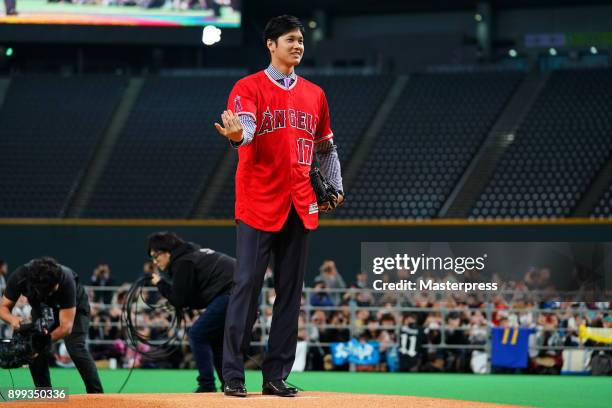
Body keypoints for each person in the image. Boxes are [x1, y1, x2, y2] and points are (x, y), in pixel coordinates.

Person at [214, 15, 344, 397]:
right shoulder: (248, 86)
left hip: (300, 204)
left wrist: (334, 183)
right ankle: (234, 376)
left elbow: (325, 146)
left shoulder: (315, 94)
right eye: (290, 39)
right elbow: (248, 127)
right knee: (246, 288)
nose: (298, 45)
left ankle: (275, 376)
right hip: (257, 203)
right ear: (271, 44)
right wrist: (239, 137)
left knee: (291, 294)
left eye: (301, 39)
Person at [147, 232, 234, 393]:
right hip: (240, 289)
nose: (155, 261)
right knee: (214, 339)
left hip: (232, 291)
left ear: (167, 252)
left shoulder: (183, 262)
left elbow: (180, 299)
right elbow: (192, 299)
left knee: (197, 334)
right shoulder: (190, 255)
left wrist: (160, 283)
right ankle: (229, 384)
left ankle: (207, 385)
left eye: (156, 255)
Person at [0, 257, 103, 393]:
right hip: (42, 308)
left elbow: (66, 327)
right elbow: (3, 308)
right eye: (53, 288)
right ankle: (44, 395)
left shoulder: (65, 280)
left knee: (75, 347)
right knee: (33, 347)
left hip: (74, 308)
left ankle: (97, 395)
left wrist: (43, 340)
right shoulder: (20, 277)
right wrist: (12, 319)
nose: (57, 287)